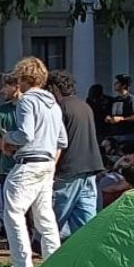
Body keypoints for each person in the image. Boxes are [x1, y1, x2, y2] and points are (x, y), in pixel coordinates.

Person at [0, 56, 64, 267]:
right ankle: (54, 264)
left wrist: (7, 136)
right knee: (45, 216)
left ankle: (22, 266)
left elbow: (26, 134)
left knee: (13, 212)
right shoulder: (53, 103)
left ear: (24, 79)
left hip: (29, 162)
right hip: (47, 162)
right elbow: (62, 139)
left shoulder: (27, 101)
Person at [48, 70, 102, 238]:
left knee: (55, 214)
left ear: (53, 88)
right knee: (85, 215)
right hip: (90, 165)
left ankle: (42, 243)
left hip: (69, 167)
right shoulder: (84, 106)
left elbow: (58, 141)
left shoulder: (61, 108)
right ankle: (86, 247)